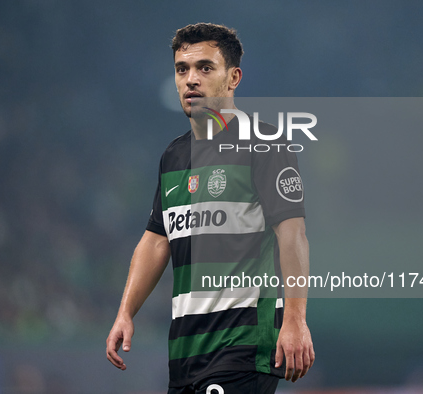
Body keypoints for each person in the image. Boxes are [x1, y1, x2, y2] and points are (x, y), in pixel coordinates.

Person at [106, 23, 314, 394]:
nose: (190, 80)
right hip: (185, 352)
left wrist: (295, 319)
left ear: (233, 78)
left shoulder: (265, 144)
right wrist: (126, 312)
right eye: (182, 69)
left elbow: (292, 233)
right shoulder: (173, 155)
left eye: (204, 68)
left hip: (243, 345)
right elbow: (156, 241)